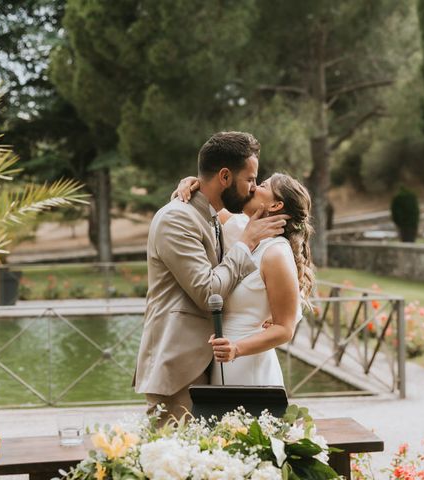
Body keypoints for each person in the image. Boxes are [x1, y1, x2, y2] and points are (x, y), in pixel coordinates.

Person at [133, 131, 289, 424]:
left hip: (214, 368)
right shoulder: (176, 218)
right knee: (176, 466)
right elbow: (208, 293)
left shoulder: (213, 216)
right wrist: (247, 243)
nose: (253, 188)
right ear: (226, 177)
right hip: (179, 369)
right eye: (250, 179)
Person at [175, 173, 314, 386]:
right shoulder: (241, 229)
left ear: (276, 205)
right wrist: (191, 183)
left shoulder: (276, 253)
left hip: (249, 365)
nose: (252, 187)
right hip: (219, 363)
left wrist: (236, 349)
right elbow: (205, 201)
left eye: (263, 185)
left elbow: (285, 329)